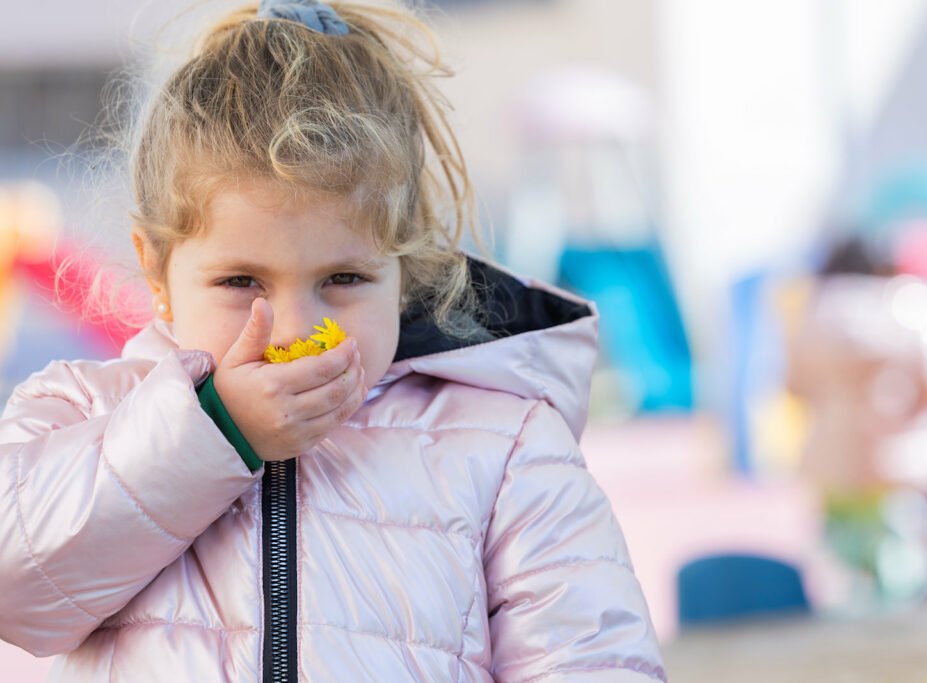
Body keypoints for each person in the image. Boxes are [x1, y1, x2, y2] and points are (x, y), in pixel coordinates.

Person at [0, 1, 665, 681]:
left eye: (343, 278)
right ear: (157, 270)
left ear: (403, 268)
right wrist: (211, 432)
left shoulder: (508, 444)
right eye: (240, 280)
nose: (293, 331)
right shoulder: (81, 411)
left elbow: (593, 659)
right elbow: (16, 588)